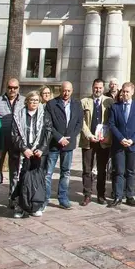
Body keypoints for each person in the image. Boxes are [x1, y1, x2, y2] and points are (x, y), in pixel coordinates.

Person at [44, 81, 81, 210]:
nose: (66, 93)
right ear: (60, 90)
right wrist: (59, 138)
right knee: (48, 173)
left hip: (68, 145)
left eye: (69, 91)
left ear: (72, 91)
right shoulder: (51, 104)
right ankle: (45, 198)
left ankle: (63, 198)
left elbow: (79, 124)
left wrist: (70, 138)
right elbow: (48, 124)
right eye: (64, 90)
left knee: (65, 172)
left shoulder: (77, 104)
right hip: (54, 144)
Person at [11, 91, 49, 217]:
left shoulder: (44, 115)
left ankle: (35, 206)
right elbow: (15, 134)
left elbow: (48, 132)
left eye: (36, 100)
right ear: (27, 101)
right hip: (24, 153)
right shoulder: (19, 115)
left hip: (38, 153)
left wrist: (42, 148)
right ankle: (20, 207)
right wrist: (24, 148)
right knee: (22, 180)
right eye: (31, 100)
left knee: (37, 180)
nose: (33, 103)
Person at [108, 81, 135, 207]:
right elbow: (111, 124)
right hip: (119, 145)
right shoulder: (115, 107)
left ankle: (129, 196)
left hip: (133, 145)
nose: (125, 94)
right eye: (123, 91)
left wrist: (132, 139)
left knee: (130, 171)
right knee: (119, 171)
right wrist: (120, 138)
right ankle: (118, 196)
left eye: (127, 92)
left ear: (132, 92)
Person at [0, 78, 22, 212]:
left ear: (18, 88)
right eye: (10, 87)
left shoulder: (23, 101)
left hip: (16, 142)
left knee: (15, 172)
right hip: (1, 141)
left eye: (15, 87)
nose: (12, 90)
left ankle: (13, 199)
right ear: (6, 88)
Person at [80, 79, 112, 206]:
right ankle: (87, 195)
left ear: (103, 89)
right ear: (92, 87)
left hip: (103, 141)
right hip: (89, 141)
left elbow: (111, 120)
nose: (97, 90)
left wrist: (105, 135)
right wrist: (89, 135)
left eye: (100, 88)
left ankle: (101, 195)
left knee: (102, 169)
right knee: (87, 169)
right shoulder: (84, 102)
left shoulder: (109, 102)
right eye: (95, 87)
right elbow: (81, 121)